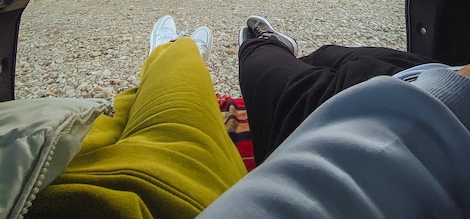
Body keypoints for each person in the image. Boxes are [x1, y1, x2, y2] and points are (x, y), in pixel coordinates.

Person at [199, 15, 470, 218]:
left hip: (379, 108)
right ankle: (284, 53)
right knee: (326, 54)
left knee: (258, 62)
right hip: (433, 76)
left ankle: (265, 43)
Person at [27, 16, 247, 218]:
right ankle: (176, 53)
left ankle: (168, 53)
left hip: (40, 179)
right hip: (176, 195)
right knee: (114, 110)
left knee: (110, 110)